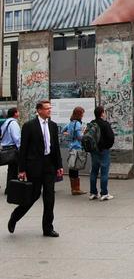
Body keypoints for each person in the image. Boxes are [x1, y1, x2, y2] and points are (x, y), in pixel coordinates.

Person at [8, 100, 63, 237]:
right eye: (46, 109)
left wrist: (59, 166)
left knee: (49, 197)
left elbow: (55, 147)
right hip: (34, 166)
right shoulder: (29, 126)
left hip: (49, 165)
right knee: (33, 196)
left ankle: (48, 228)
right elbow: (24, 149)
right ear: (39, 110)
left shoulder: (53, 126)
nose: (49, 111)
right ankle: (15, 216)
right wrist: (21, 170)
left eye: (50, 108)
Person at [89, 105, 115, 202]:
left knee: (94, 171)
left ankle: (93, 193)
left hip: (94, 150)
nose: (105, 114)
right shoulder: (105, 124)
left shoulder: (92, 123)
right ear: (102, 113)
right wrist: (107, 146)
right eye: (104, 112)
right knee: (104, 172)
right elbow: (111, 137)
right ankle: (104, 193)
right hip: (103, 150)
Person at [62, 106, 87, 196]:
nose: (83, 115)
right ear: (79, 114)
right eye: (82, 113)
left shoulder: (70, 123)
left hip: (70, 146)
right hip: (77, 146)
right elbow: (80, 137)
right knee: (75, 167)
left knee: (72, 167)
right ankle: (76, 189)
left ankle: (74, 188)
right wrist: (84, 132)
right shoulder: (78, 124)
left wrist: (69, 135)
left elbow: (62, 131)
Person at [1, 107, 21, 194]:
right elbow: (17, 138)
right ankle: (12, 189)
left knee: (11, 170)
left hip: (6, 148)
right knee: (14, 170)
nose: (19, 113)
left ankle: (9, 189)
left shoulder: (6, 122)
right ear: (15, 113)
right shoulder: (13, 123)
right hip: (12, 149)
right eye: (18, 112)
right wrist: (21, 148)